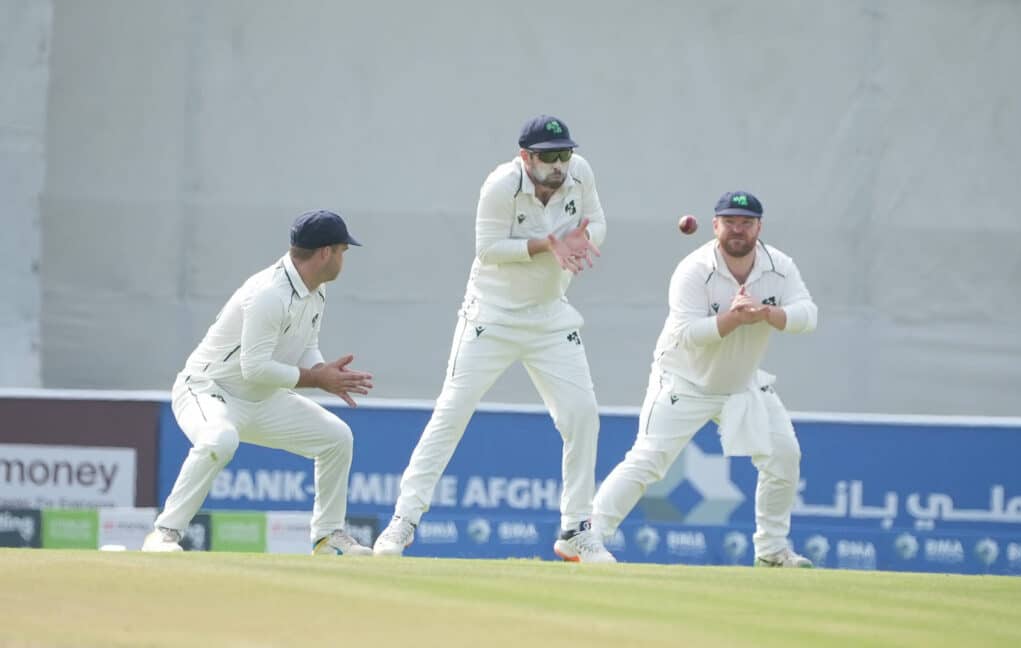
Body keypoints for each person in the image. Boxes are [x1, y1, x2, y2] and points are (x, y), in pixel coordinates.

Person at [372, 115, 615, 563]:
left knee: (582, 416)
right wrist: (549, 244)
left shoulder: (580, 172)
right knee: (451, 413)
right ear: (526, 157)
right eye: (548, 157)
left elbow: (596, 221)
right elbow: (487, 249)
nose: (559, 165)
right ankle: (402, 522)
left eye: (563, 154)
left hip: (550, 318)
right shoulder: (500, 186)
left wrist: (583, 239)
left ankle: (576, 529)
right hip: (491, 316)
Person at [591, 191, 819, 567]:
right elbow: (687, 335)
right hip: (684, 381)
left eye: (746, 223)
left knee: (784, 456)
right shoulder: (694, 269)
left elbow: (808, 316)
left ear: (759, 227)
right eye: (730, 222)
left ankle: (772, 550)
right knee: (649, 459)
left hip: (742, 383)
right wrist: (735, 318)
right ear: (715, 226)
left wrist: (764, 313)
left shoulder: (780, 266)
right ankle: (589, 537)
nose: (738, 230)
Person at [142, 209, 375, 555]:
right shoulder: (269, 294)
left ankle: (327, 538)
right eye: (342, 250)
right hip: (208, 390)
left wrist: (325, 371)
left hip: (262, 400)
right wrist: (317, 379)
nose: (343, 258)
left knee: (336, 438)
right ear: (326, 252)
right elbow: (254, 368)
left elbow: (305, 345)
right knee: (220, 439)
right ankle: (163, 534)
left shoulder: (317, 290)